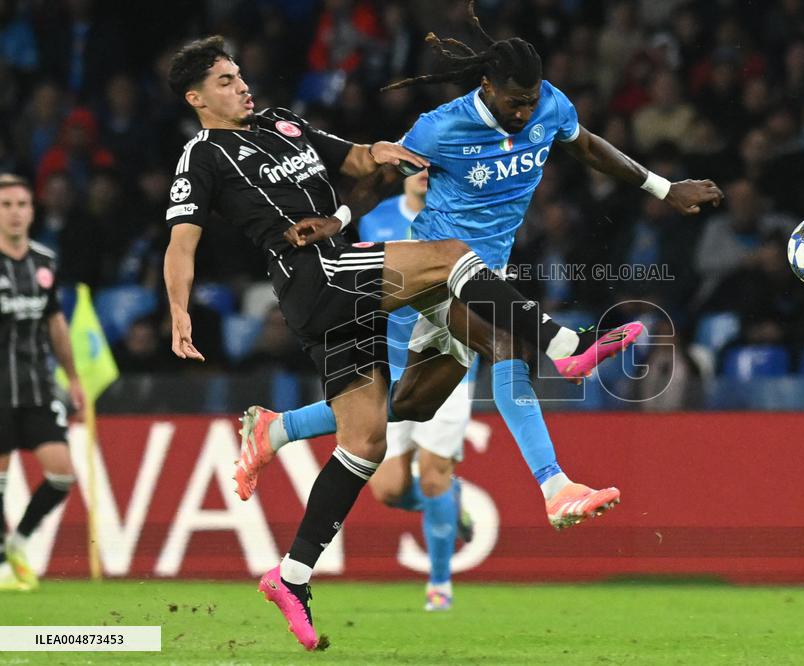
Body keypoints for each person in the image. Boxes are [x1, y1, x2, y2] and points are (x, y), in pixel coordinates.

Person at [163, 36, 702, 651]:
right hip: (316, 277)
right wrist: (179, 309)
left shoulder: (279, 122)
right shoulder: (202, 155)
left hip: (352, 277)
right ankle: (564, 349)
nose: (241, 85)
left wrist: (384, 154)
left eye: (239, 74)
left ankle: (290, 567)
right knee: (457, 266)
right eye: (227, 80)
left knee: (371, 438)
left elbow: (354, 163)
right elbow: (182, 241)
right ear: (196, 97)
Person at [234, 2, 723, 550]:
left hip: (490, 274)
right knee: (509, 345)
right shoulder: (441, 126)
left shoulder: (549, 106)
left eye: (532, 101)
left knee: (416, 401)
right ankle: (555, 484)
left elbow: (586, 146)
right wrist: (342, 219)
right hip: (437, 265)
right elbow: (380, 175)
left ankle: (276, 429)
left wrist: (663, 187)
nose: (524, 112)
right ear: (487, 87)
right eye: (515, 103)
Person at [244, 170, 477, 612]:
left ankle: (440, 586)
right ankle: (448, 502)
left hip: (440, 352)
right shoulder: (374, 219)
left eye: (434, 167)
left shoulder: (452, 219)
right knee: (388, 489)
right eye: (418, 166)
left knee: (433, 475)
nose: (425, 174)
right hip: (386, 354)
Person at [0, 174, 85, 592]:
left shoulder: (44, 261)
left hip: (36, 386)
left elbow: (55, 321)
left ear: (32, 211)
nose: (15, 212)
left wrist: (72, 377)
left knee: (62, 474)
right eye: (6, 205)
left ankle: (19, 541)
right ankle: (3, 562)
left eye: (22, 204)